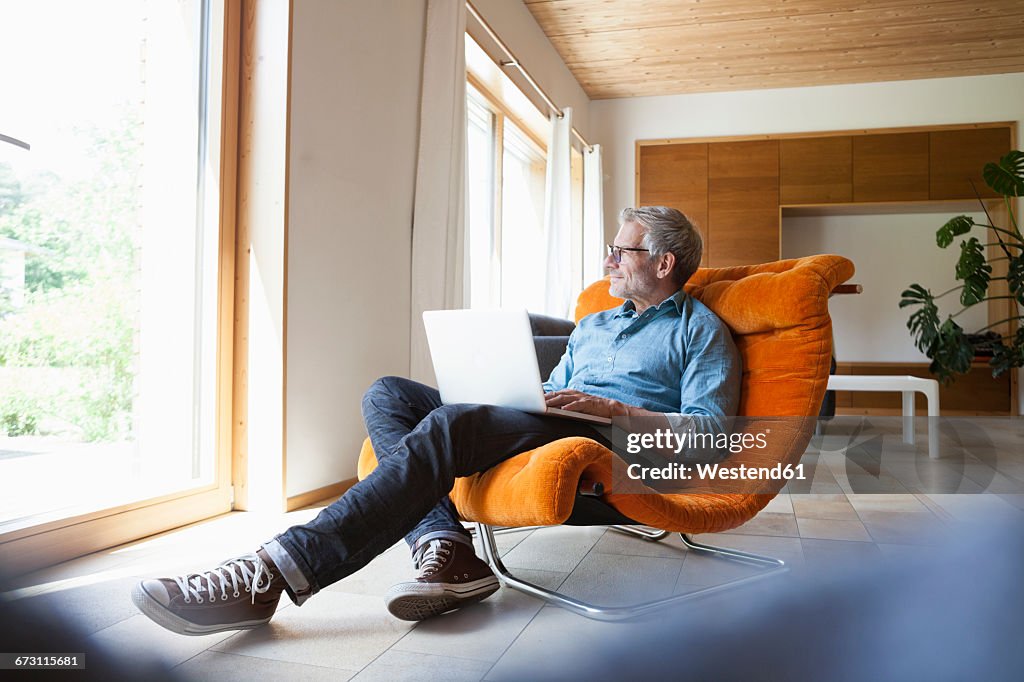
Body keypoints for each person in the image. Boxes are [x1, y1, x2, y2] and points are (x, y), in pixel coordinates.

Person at [131, 206, 741, 635]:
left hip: (610, 443)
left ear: (664, 263)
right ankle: (445, 544)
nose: (608, 257)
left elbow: (708, 436)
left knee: (450, 424)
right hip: (552, 421)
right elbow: (555, 389)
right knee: (389, 394)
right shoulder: (594, 324)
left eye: (622, 248)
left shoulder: (699, 331)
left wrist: (618, 410)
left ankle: (270, 574)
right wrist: (536, 395)